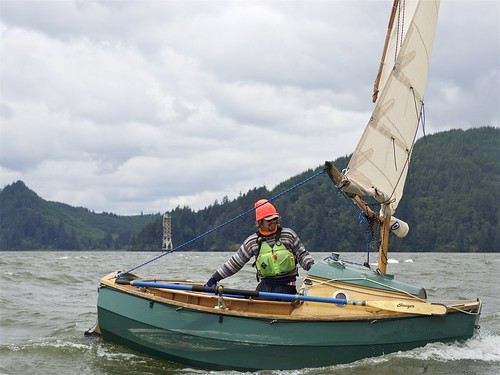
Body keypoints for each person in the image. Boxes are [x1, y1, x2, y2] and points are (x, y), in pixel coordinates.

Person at [205, 199, 315, 294]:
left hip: (288, 288)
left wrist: (311, 266)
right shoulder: (252, 242)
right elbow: (235, 263)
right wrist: (214, 278)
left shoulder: (288, 235)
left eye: (274, 219)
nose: (273, 222)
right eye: (268, 220)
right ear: (260, 222)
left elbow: (302, 255)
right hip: (265, 288)